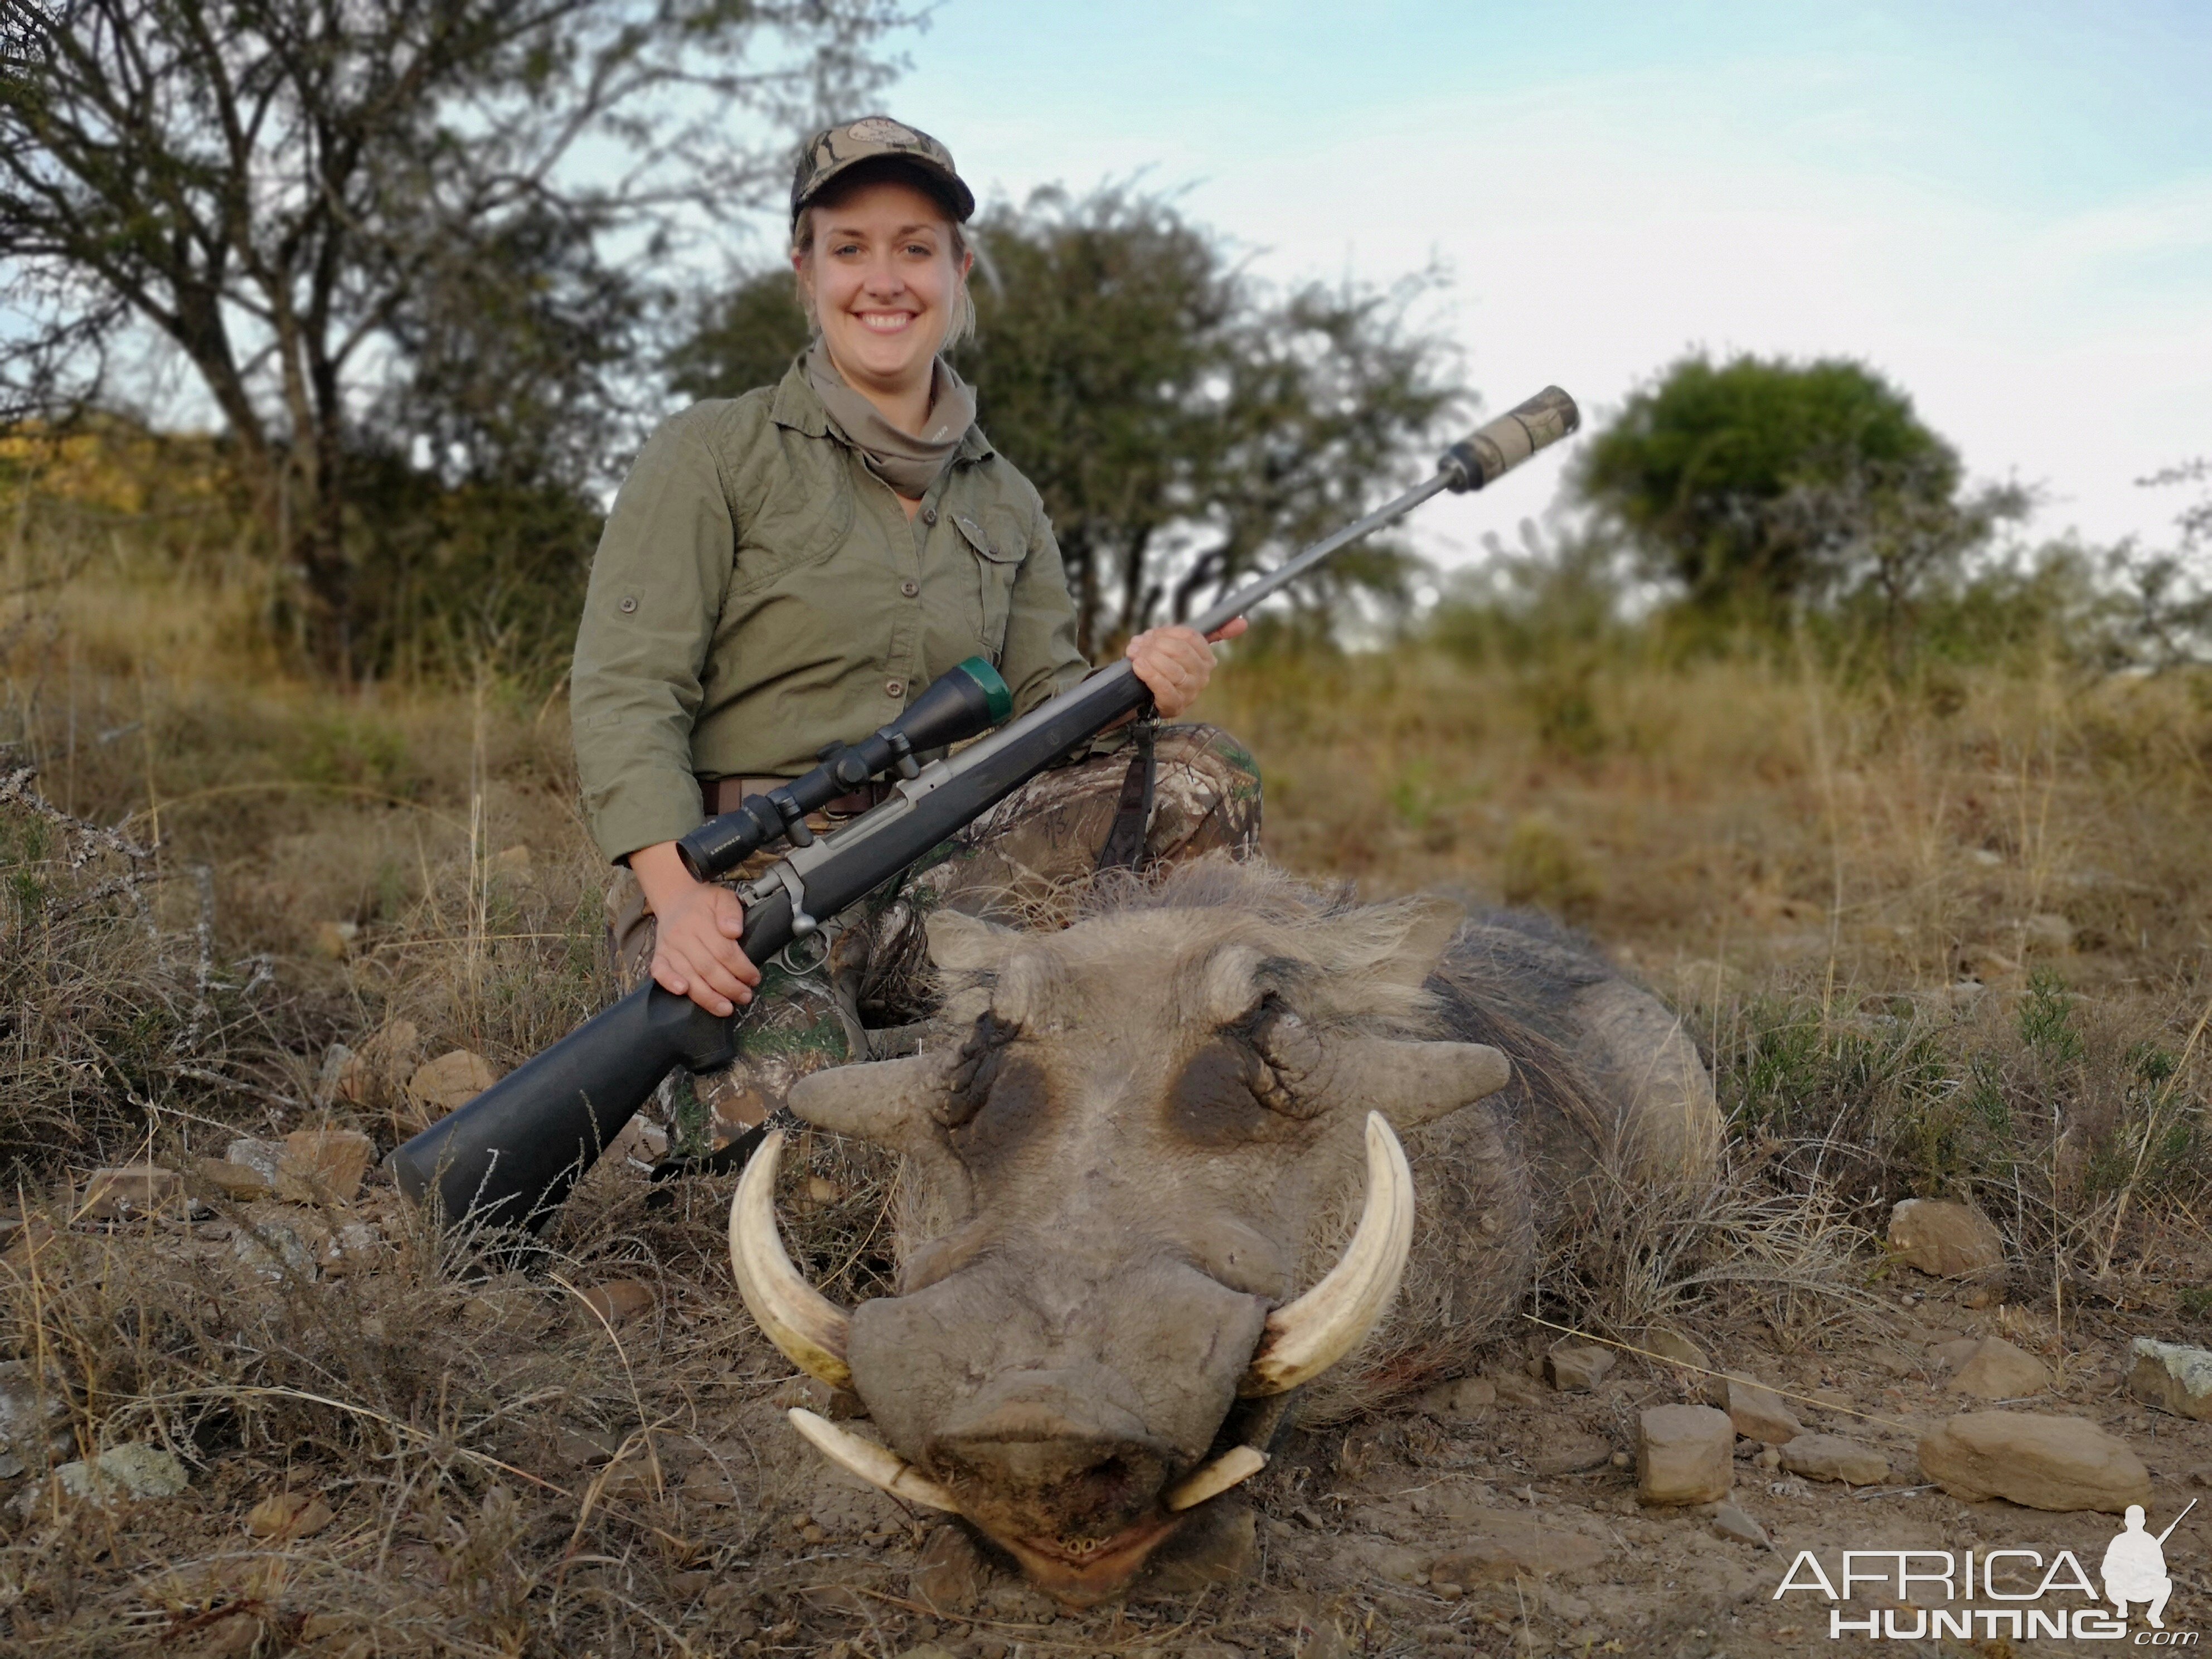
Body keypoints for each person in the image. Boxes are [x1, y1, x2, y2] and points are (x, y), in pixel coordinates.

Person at [570, 116, 1263, 1159]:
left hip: (933, 867)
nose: (882, 280)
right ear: (803, 268)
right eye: (850, 248)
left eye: (914, 248)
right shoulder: (709, 452)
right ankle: (728, 1103)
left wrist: (1138, 685)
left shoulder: (1008, 499)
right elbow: (627, 694)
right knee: (823, 1168)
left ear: (957, 269)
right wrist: (677, 904)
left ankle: (1167, 1093)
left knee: (1198, 776)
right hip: (739, 890)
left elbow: (1046, 713)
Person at [2102, 1504, 2174, 1628]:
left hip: (2144, 1587)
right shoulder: (2119, 1541)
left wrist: (2145, 1569)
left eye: (2138, 1520)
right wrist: (2123, 1570)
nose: (2135, 1523)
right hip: (2123, 1587)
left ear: (2143, 1522)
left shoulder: (2150, 1541)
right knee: (2109, 1583)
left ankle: (2154, 1615)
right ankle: (2122, 1606)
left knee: (2166, 1583)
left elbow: (2162, 1571)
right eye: (2132, 1520)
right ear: (2126, 1522)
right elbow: (2106, 1569)